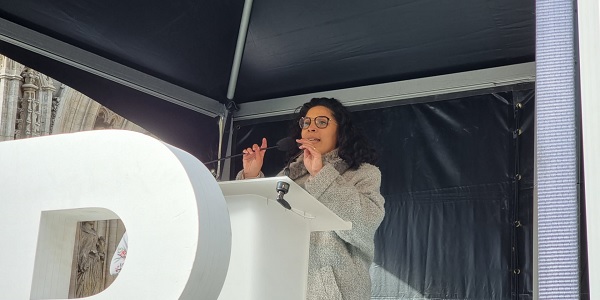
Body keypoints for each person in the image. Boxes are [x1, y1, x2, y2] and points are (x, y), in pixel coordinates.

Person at [237, 97, 385, 300]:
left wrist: (320, 173)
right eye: (306, 123)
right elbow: (259, 226)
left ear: (340, 131)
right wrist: (252, 177)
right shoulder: (288, 176)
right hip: (282, 288)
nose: (311, 128)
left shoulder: (363, 173)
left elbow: (365, 223)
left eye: (322, 122)